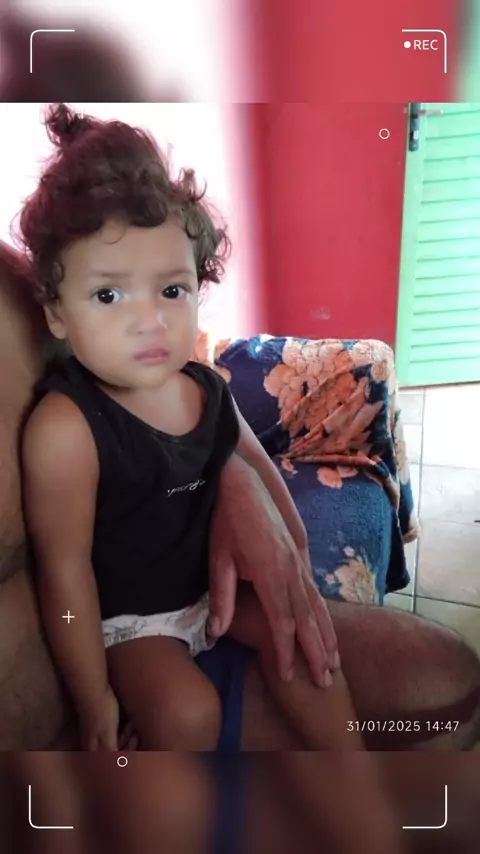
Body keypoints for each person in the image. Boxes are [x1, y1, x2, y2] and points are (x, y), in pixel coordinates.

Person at [20, 102, 369, 755]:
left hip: (213, 591)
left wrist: (296, 577)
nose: (150, 321)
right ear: (58, 314)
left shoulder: (207, 388)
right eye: (108, 295)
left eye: (172, 290)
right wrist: (94, 700)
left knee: (307, 647)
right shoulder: (65, 430)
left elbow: (272, 496)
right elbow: (64, 579)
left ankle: (358, 780)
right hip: (133, 624)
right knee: (187, 715)